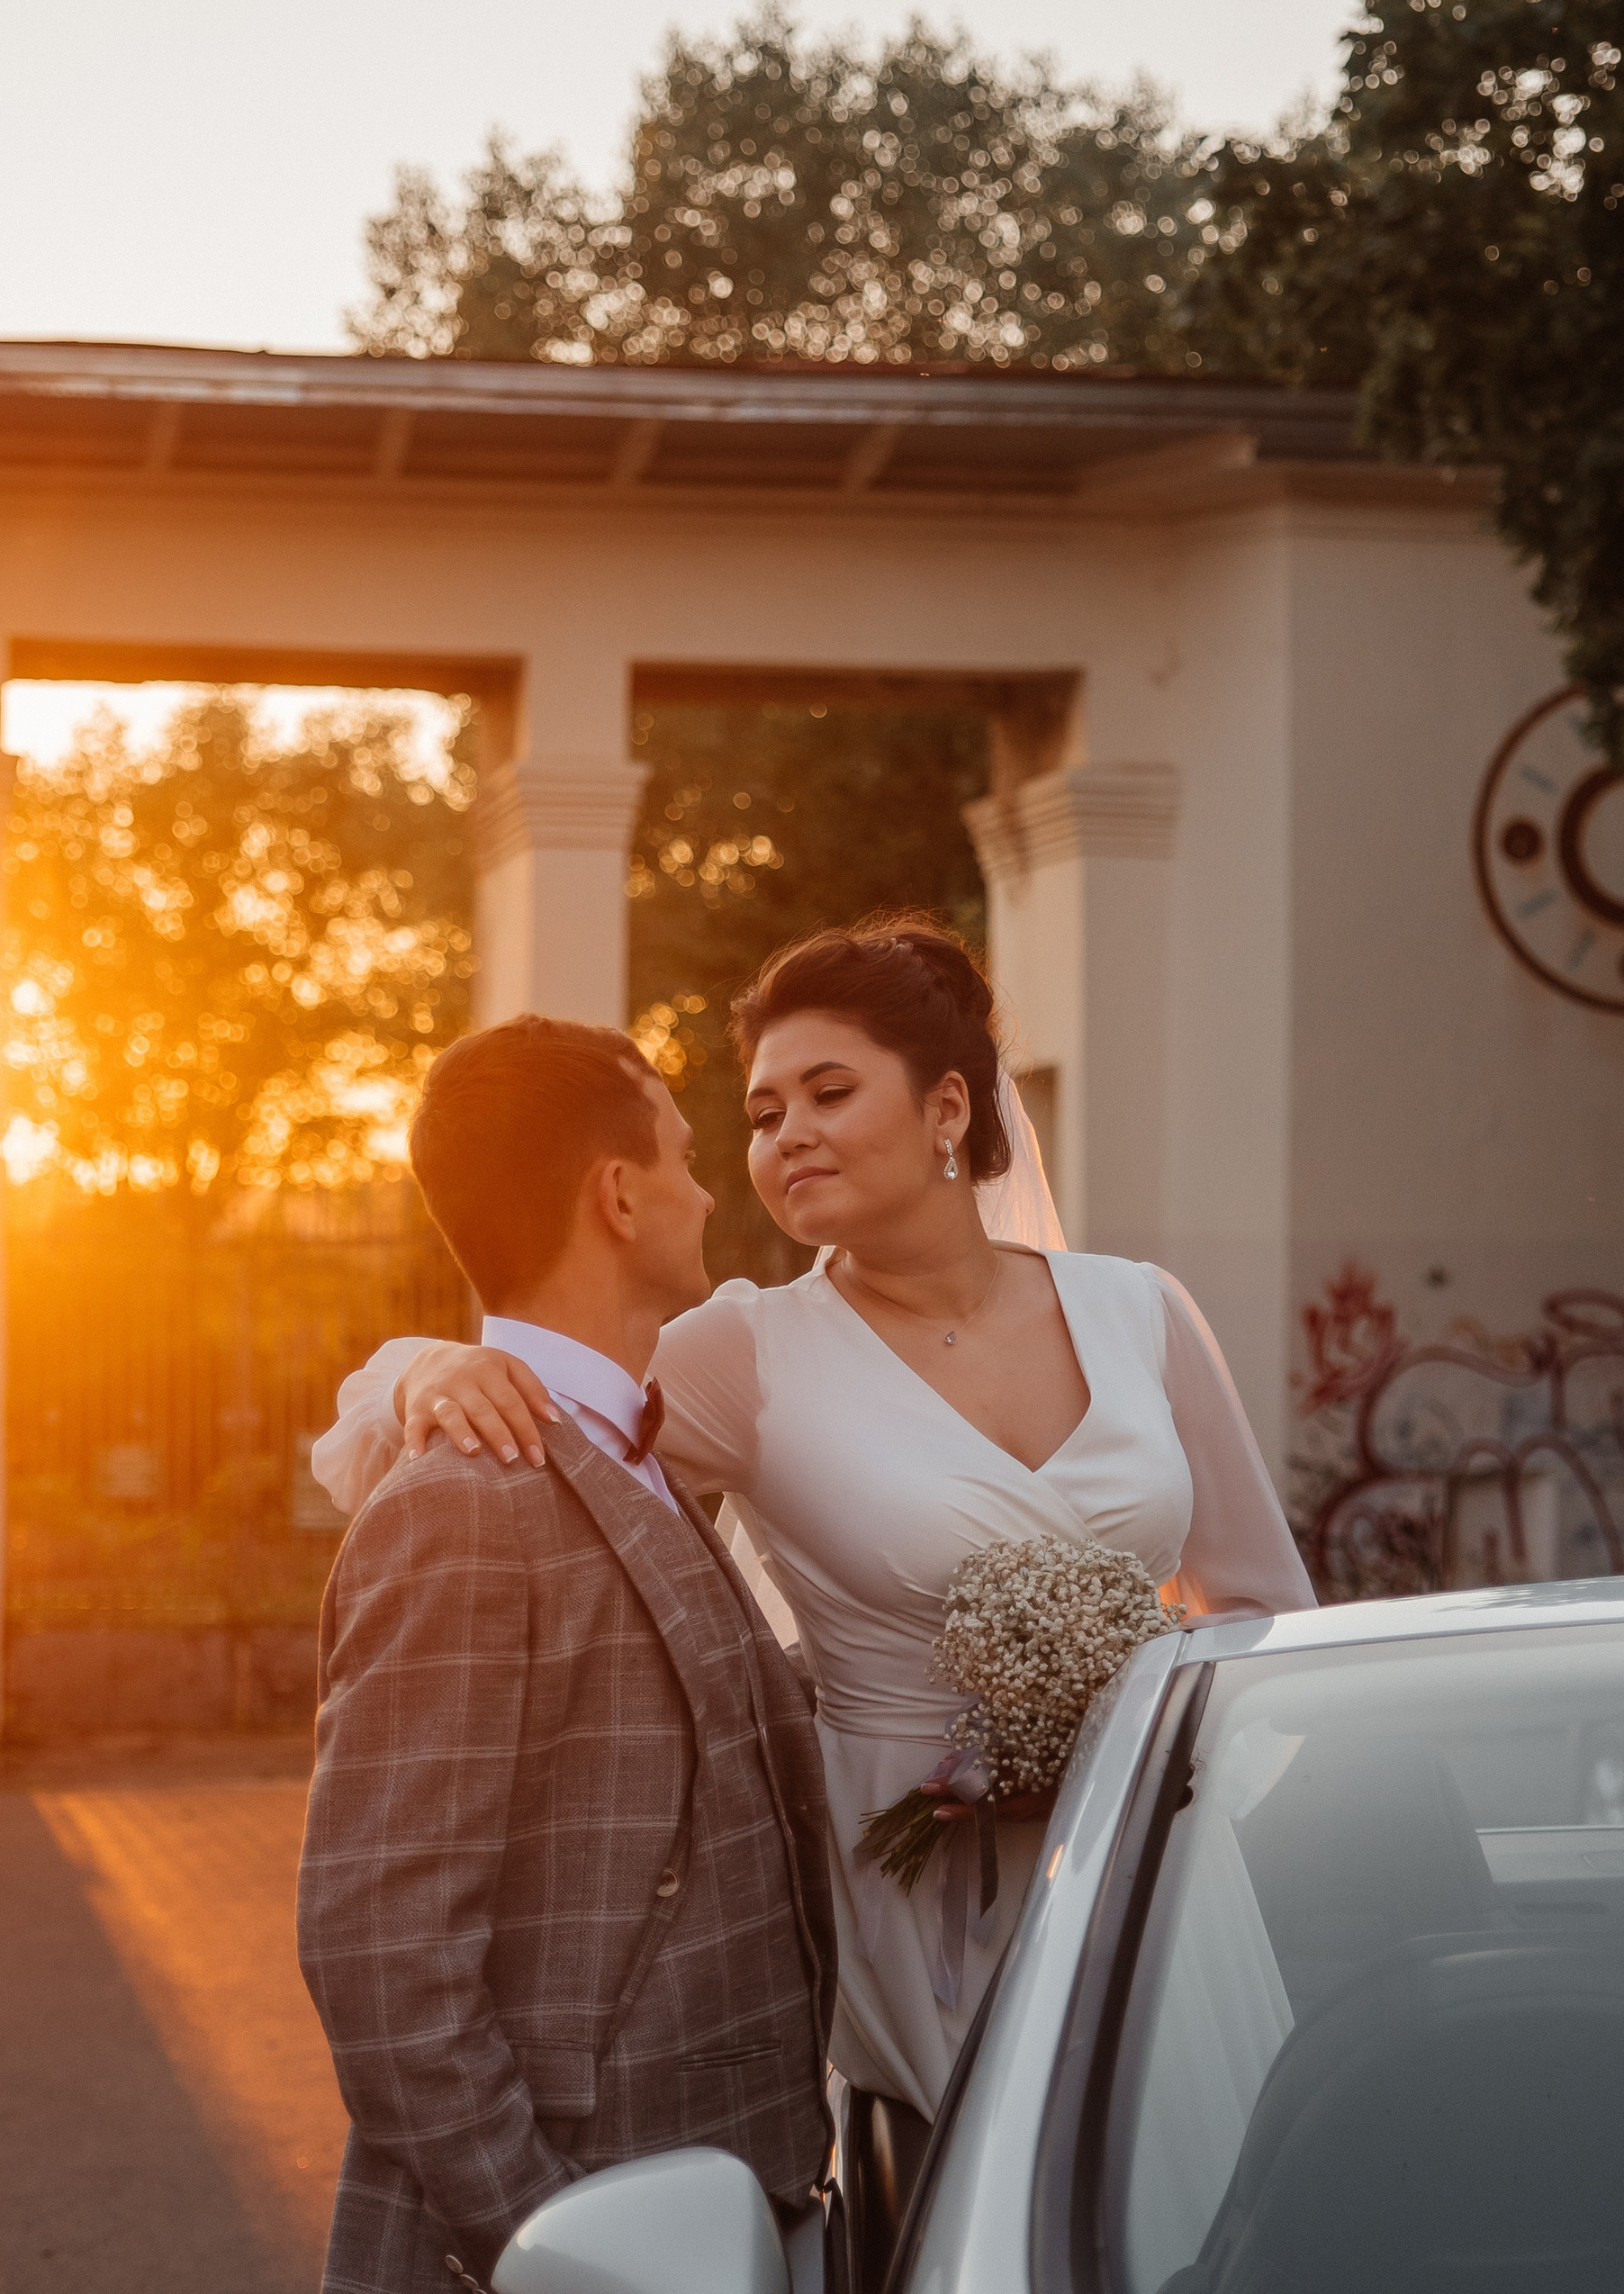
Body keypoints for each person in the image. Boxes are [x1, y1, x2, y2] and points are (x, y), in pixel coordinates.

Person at [313, 918, 1313, 2271]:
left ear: (948, 1108)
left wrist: (1156, 1754)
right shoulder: (742, 1351)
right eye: (762, 1113)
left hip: (1155, 1860)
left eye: (829, 1093)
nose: (787, 1136)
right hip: (919, 1895)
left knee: (1231, 2215)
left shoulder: (1140, 1309)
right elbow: (538, 1429)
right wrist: (419, 1370)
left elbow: (1261, 1618)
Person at [296, 1015, 836, 2294]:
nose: (711, 1193)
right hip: (587, 2234)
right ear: (619, 1197)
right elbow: (383, 1955)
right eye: (687, 1158)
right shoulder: (463, 1506)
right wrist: (547, 2242)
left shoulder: (633, 1451)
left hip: (733, 2189)